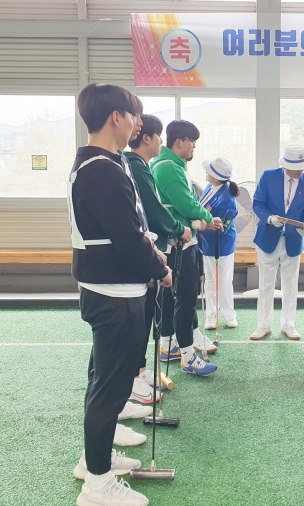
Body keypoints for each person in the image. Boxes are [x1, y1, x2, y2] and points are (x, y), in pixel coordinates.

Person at [69, 83, 172, 506]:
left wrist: (150, 251)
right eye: (133, 116)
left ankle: (94, 459)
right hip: (113, 292)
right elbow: (127, 238)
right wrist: (160, 267)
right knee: (109, 388)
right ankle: (97, 485)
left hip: (111, 287)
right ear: (116, 117)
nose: (137, 124)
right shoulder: (102, 169)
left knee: (104, 381)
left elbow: (128, 228)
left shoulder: (105, 163)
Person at [125, 114, 192, 405]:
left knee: (146, 317)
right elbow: (152, 211)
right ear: (146, 138)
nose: (161, 142)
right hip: (142, 255)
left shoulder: (142, 166)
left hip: (152, 250)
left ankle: (139, 371)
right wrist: (178, 228)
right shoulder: (135, 166)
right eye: (159, 137)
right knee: (138, 322)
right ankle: (132, 377)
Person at [151, 120, 222, 375]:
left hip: (178, 240)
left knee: (173, 297)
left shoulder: (170, 164)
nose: (194, 147)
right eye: (192, 142)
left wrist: (198, 219)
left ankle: (168, 345)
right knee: (185, 297)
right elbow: (185, 204)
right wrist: (206, 218)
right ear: (179, 142)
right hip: (178, 243)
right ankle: (188, 357)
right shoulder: (167, 166)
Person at [251, 145, 304, 340]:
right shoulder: (268, 176)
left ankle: (288, 325)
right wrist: (269, 218)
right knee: (266, 284)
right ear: (285, 165)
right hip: (267, 238)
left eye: (302, 167)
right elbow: (257, 203)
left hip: (293, 240)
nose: (300, 171)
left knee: (291, 285)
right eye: (296, 167)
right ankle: (263, 325)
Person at [199, 157, 239, 330]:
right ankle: (211, 314)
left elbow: (222, 226)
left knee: (223, 281)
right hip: (208, 242)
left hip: (222, 244)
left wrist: (203, 223)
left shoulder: (227, 199)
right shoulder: (210, 187)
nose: (206, 173)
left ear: (216, 177)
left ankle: (229, 315)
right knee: (210, 280)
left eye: (209, 171)